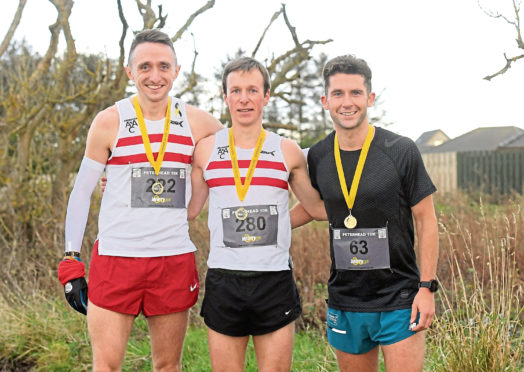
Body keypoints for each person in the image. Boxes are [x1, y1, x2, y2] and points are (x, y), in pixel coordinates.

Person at [56, 29, 223, 371]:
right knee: (107, 366)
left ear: (177, 71)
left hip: (172, 258)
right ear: (130, 72)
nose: (155, 75)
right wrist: (71, 260)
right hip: (117, 258)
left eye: (164, 66)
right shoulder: (108, 121)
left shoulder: (197, 122)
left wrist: (196, 188)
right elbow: (81, 192)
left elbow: (237, 156)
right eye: (145, 66)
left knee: (167, 366)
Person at [293, 55, 439, 372]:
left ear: (370, 97)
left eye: (356, 93)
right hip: (346, 298)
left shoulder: (400, 150)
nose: (347, 102)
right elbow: (318, 208)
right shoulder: (318, 155)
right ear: (325, 100)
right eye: (338, 94)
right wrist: (272, 226)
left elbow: (426, 220)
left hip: (400, 298)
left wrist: (426, 288)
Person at [188, 57, 327, 372]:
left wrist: (372, 200)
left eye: (253, 90)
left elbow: (316, 208)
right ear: (225, 97)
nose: (244, 98)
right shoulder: (205, 150)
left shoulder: (287, 150)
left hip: (273, 280)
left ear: (266, 96)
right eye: (236, 90)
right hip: (224, 280)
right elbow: (190, 210)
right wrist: (116, 183)